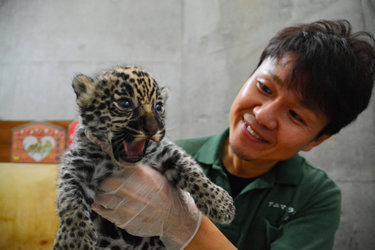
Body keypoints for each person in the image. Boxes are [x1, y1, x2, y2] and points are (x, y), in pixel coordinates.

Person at [92, 19, 375, 249]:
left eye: (296, 115)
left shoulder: (316, 195)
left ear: (317, 139)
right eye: (264, 88)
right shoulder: (168, 157)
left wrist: (182, 224)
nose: (263, 115)